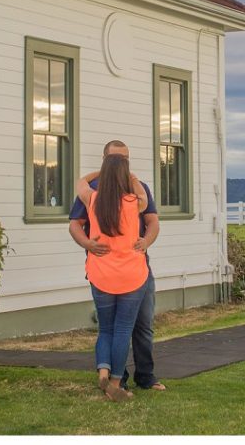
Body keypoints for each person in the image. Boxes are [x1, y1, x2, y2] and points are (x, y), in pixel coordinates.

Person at [69, 140, 165, 393]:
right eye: (119, 160)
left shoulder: (91, 195)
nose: (124, 163)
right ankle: (116, 381)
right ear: (106, 159)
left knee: (112, 328)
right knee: (123, 329)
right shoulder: (135, 198)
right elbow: (75, 224)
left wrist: (146, 241)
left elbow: (153, 223)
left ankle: (113, 371)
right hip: (132, 273)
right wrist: (87, 243)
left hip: (104, 271)